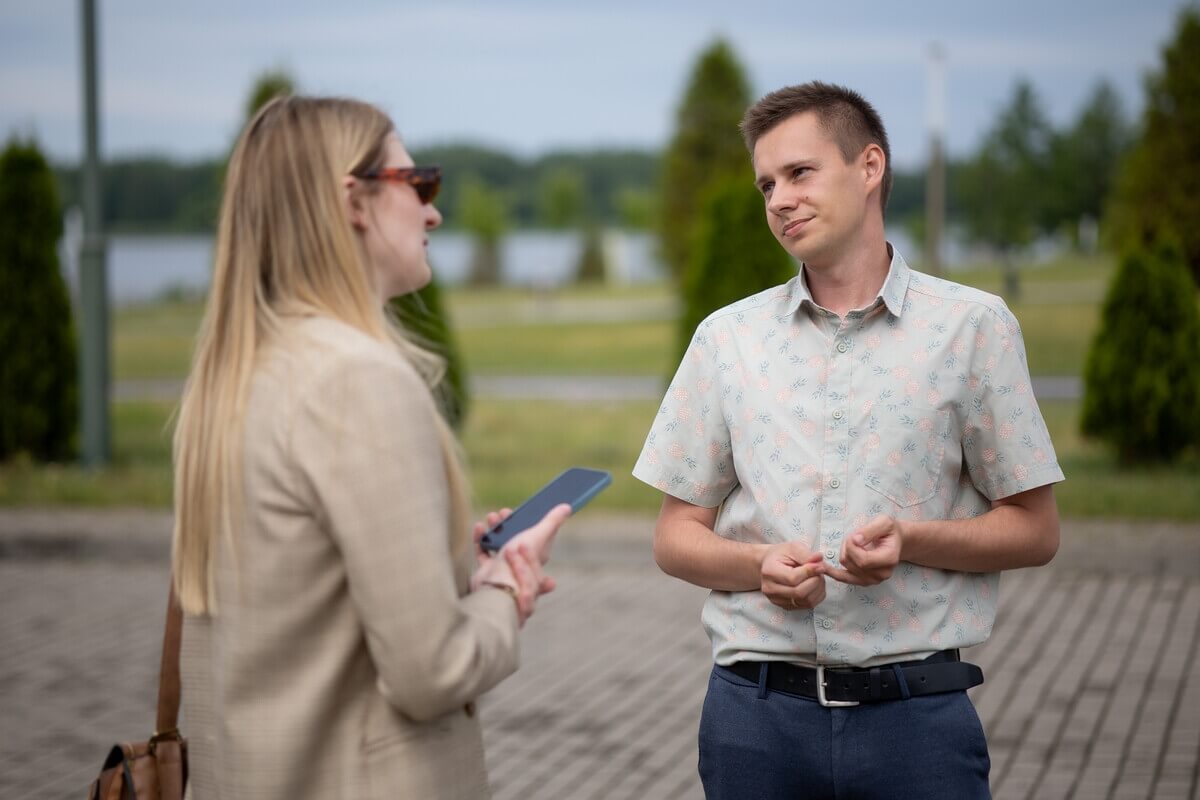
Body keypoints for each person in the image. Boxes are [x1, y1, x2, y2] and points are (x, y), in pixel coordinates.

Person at [633, 81, 1063, 799]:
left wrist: (912, 541)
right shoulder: (726, 340)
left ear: (869, 168)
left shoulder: (973, 328)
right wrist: (756, 563)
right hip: (753, 723)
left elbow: (1036, 531)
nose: (778, 199)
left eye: (799, 173)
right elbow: (675, 537)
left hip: (917, 725)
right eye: (766, 184)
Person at [172, 95, 570, 800]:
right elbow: (431, 672)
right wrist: (509, 589)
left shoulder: (236, 378)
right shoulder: (356, 379)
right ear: (354, 202)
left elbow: (305, 604)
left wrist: (450, 568)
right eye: (420, 184)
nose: (433, 211)